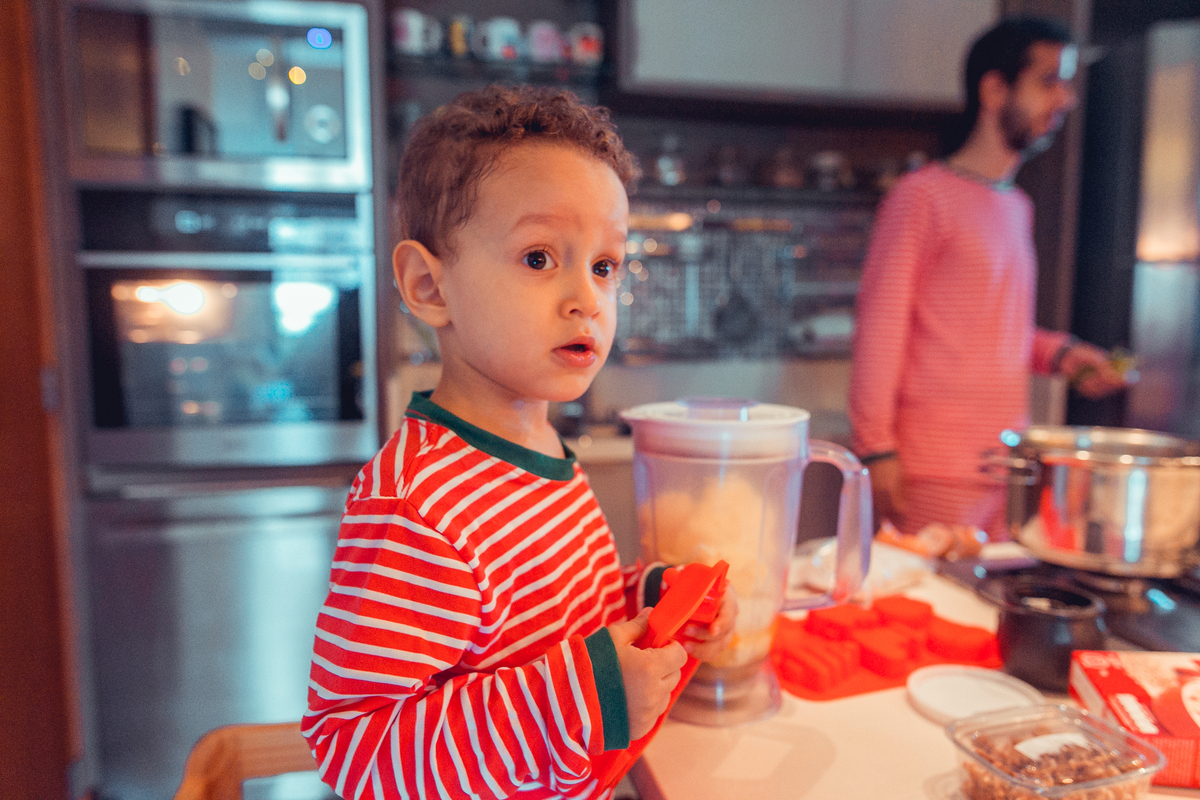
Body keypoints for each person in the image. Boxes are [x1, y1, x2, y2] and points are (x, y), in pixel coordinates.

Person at [302, 85, 736, 800]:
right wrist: (579, 699)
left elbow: (555, 630)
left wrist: (655, 601)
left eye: (604, 265)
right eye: (539, 258)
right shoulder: (416, 505)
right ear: (428, 286)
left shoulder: (544, 458)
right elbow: (356, 750)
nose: (587, 298)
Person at [849, 17, 1130, 540]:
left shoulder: (1015, 205)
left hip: (1007, 463)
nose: (1066, 99)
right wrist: (877, 447)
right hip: (932, 468)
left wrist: (1063, 356)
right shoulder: (921, 197)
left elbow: (988, 329)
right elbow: (880, 327)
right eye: (1049, 80)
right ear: (995, 89)